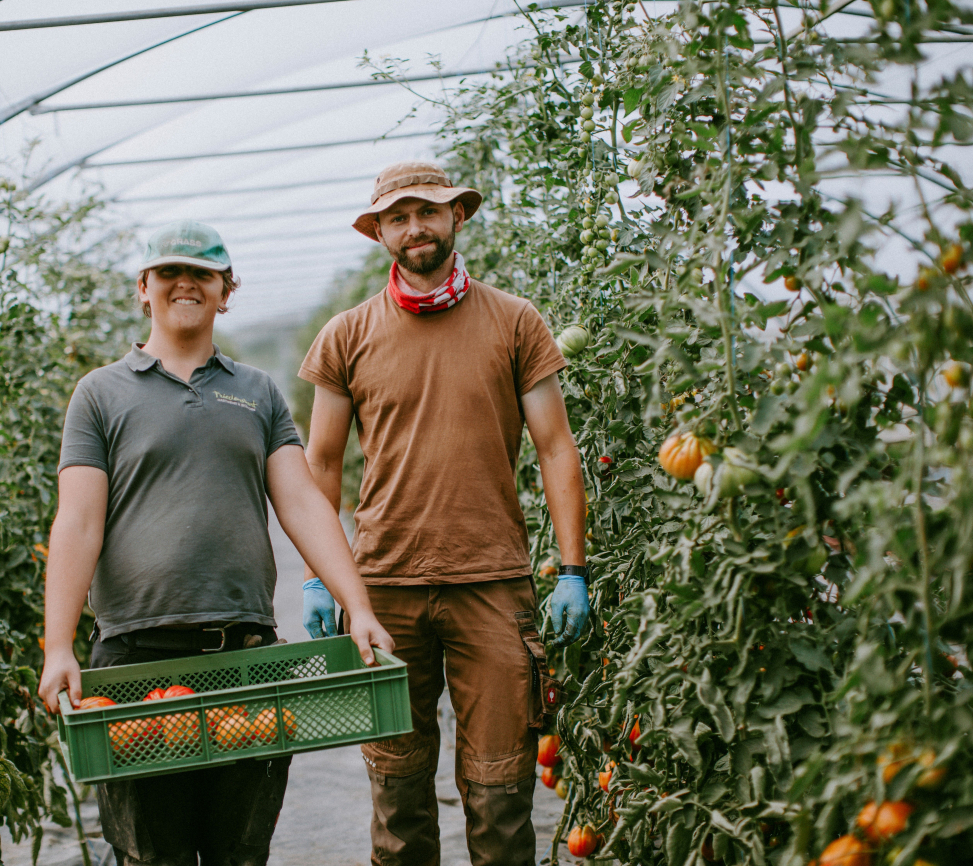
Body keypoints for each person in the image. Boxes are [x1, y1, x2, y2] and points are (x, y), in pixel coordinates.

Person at [38, 219, 393, 866]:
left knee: (241, 852)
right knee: (151, 854)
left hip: (245, 655)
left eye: (202, 273)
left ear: (225, 291)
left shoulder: (255, 391)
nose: (185, 283)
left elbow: (301, 503)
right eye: (170, 271)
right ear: (143, 288)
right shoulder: (100, 394)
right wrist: (58, 643)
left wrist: (358, 607)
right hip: (134, 662)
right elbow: (78, 522)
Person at [298, 162, 590, 866]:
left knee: (500, 790)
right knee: (396, 790)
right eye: (397, 217)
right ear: (379, 233)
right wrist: (322, 578)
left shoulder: (514, 321)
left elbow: (555, 447)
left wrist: (571, 571)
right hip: (383, 592)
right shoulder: (347, 335)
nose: (414, 228)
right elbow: (322, 464)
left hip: (491, 583)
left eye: (427, 211)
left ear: (457, 217)